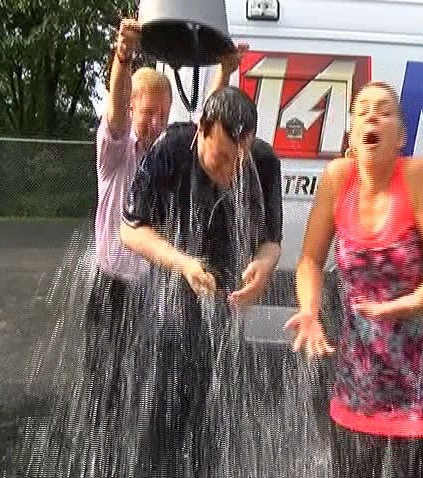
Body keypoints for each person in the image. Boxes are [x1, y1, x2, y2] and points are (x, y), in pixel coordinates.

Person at [285, 81, 423, 478]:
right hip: (356, 387)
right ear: (351, 134)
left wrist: (408, 304)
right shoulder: (337, 178)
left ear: (400, 136)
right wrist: (310, 309)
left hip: (420, 389)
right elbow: (310, 260)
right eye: (362, 109)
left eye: (383, 110)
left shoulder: (417, 177)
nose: (371, 115)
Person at [119, 85, 283, 477]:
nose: (229, 172)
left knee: (214, 429)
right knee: (156, 428)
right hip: (166, 309)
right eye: (222, 158)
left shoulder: (263, 161)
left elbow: (271, 242)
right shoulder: (172, 149)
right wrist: (182, 263)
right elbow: (130, 230)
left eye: (237, 162)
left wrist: (262, 267)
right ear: (203, 129)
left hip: (223, 312)